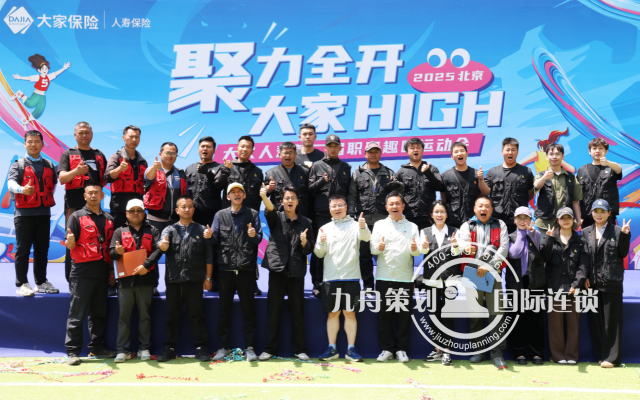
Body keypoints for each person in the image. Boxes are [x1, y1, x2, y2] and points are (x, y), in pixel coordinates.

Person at [258, 185, 314, 361]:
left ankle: (300, 349)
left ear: (298, 201)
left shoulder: (306, 222)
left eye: (293, 198)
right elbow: (269, 210)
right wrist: (264, 197)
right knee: (273, 312)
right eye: (287, 198)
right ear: (281, 201)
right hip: (277, 270)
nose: (290, 201)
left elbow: (310, 248)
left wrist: (304, 242)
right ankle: (270, 349)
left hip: (296, 272)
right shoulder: (276, 218)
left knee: (297, 314)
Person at [157, 195, 214, 362]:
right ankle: (169, 348)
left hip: (195, 280)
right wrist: (161, 245)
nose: (186, 209)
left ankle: (200, 348)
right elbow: (161, 244)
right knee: (172, 315)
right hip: (173, 280)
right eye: (183, 207)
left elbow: (209, 257)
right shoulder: (169, 230)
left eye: (189, 206)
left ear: (194, 210)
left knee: (197, 315)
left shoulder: (202, 230)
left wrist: (208, 278)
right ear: (177, 210)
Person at [64, 182, 116, 365]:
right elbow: (70, 245)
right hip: (82, 273)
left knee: (99, 314)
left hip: (102, 273)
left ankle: (97, 348)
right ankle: (72, 351)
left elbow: (111, 248)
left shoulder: (109, 218)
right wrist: (70, 242)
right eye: (90, 193)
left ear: (102, 196)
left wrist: (112, 271)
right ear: (85, 196)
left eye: (97, 193)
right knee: (76, 314)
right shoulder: (76, 217)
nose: (93, 195)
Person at [314, 194, 370, 362]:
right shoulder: (324, 228)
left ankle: (351, 349)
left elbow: (367, 238)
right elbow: (318, 253)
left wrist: (363, 227)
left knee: (350, 313)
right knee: (333, 313)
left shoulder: (356, 225)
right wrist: (321, 242)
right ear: (329, 209)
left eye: (340, 205)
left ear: (346, 207)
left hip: (351, 277)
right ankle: (332, 349)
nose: (337, 208)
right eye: (334, 206)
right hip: (330, 278)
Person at [211, 183, 263, 362]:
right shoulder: (220, 215)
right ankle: (223, 347)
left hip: (246, 270)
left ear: (244, 195)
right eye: (232, 192)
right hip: (225, 270)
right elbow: (214, 240)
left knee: (249, 311)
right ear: (228, 197)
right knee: (224, 311)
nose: (236, 194)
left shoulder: (253, 214)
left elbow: (258, 240)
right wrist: (209, 236)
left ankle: (250, 348)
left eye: (239, 191)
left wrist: (252, 235)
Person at [457, 196, 509, 369]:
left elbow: (504, 248)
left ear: (491, 209)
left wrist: (488, 266)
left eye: (487, 206)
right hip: (473, 274)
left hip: (493, 273)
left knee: (497, 315)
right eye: (480, 206)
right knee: (475, 315)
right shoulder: (467, 225)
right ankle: (478, 351)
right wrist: (466, 247)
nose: (483, 209)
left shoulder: (500, 224)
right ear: (474, 209)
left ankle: (497, 353)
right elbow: (462, 242)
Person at [369, 191, 420, 363]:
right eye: (391, 204)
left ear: (403, 206)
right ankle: (387, 349)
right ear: (386, 207)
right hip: (384, 277)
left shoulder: (412, 227)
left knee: (403, 315)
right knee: (384, 316)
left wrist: (415, 248)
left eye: (398, 203)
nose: (394, 206)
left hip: (405, 277)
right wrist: (379, 247)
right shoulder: (379, 225)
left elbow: (417, 252)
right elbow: (372, 249)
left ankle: (402, 349)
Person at [109, 199, 163, 363]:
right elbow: (112, 253)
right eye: (132, 210)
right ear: (126, 214)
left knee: (145, 315)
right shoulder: (119, 231)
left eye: (139, 210)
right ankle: (122, 350)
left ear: (144, 213)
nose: (135, 213)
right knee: (124, 316)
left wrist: (146, 265)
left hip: (146, 280)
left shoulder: (153, 230)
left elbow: (159, 250)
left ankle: (144, 348)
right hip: (125, 282)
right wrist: (117, 252)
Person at [349, 141, 403, 291]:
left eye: (376, 151)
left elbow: (396, 195)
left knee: (386, 254)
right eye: (370, 152)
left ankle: (386, 285)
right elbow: (352, 196)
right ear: (365, 154)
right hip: (364, 220)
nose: (373, 154)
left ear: (380, 153)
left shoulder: (389, 173)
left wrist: (399, 187)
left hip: (384, 220)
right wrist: (351, 216)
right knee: (365, 255)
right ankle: (368, 286)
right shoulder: (357, 173)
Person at [9, 130, 59, 296]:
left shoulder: (49, 165)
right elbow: (11, 184)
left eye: (37, 141)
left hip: (44, 214)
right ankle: (22, 284)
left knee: (42, 250)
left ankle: (41, 282)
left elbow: (52, 186)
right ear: (25, 144)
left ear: (42, 144)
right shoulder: (18, 164)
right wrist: (22, 190)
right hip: (23, 215)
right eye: (30, 141)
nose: (33, 144)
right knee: (23, 250)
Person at [582, 199, 630, 368]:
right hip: (592, 283)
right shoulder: (585, 232)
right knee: (595, 321)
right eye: (596, 211)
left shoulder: (617, 230)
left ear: (609, 213)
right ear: (592, 213)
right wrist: (584, 277)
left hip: (612, 281)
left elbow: (623, 253)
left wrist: (625, 235)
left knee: (612, 321)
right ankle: (600, 356)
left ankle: (612, 358)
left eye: (603, 211)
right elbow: (583, 258)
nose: (599, 214)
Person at [58, 122, 107, 282]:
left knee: (97, 240)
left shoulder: (99, 154)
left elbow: (105, 178)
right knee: (72, 240)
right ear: (75, 135)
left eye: (87, 132)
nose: (84, 135)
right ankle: (71, 280)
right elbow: (62, 178)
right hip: (74, 205)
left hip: (95, 206)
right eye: (81, 133)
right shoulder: (68, 154)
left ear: (92, 134)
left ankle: (98, 279)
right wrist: (76, 171)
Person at [185, 136, 233, 292]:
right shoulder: (189, 168)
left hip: (212, 215)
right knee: (192, 247)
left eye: (208, 146)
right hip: (192, 216)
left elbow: (219, 185)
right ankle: (193, 279)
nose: (205, 149)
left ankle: (214, 280)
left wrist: (208, 172)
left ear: (214, 150)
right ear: (198, 149)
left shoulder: (219, 168)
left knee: (212, 247)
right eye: (202, 146)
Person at [541, 207, 588, 365]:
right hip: (554, 287)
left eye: (569, 217)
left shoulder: (580, 241)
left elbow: (583, 266)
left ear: (574, 220)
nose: (566, 220)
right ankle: (558, 355)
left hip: (573, 288)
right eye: (563, 218)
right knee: (555, 324)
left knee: (573, 324)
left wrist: (576, 284)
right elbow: (544, 259)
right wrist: (548, 240)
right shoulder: (550, 237)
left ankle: (571, 355)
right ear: (558, 220)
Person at [417, 200, 461, 366]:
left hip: (450, 280)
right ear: (431, 214)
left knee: (448, 316)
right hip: (432, 280)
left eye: (442, 211)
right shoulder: (424, 232)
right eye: (436, 212)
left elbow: (457, 253)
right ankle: (437, 350)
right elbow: (421, 252)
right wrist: (424, 247)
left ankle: (447, 351)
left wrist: (455, 246)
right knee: (434, 316)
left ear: (447, 214)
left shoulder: (455, 231)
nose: (439, 214)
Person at [308, 134, 352, 297]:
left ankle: (339, 281)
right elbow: (310, 188)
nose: (333, 149)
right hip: (322, 214)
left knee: (341, 248)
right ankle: (318, 283)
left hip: (341, 216)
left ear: (340, 148)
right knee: (320, 249)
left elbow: (349, 192)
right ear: (325, 148)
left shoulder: (346, 166)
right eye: (330, 146)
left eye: (335, 146)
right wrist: (322, 181)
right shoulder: (317, 165)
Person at [220, 136, 264, 295]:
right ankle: (224, 283)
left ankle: (252, 282)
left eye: (248, 147)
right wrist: (225, 171)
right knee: (227, 247)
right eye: (242, 146)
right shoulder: (228, 167)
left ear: (252, 150)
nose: (245, 149)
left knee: (250, 248)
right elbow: (218, 185)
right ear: (237, 148)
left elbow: (260, 195)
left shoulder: (258, 171)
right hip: (229, 215)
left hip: (249, 216)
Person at [506, 207, 546, 365]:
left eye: (526, 218)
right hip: (516, 283)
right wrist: (522, 234)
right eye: (519, 218)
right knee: (517, 319)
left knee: (535, 320)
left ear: (531, 220)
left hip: (534, 283)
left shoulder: (536, 234)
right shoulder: (510, 237)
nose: (523, 221)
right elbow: (514, 253)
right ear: (514, 220)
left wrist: (530, 233)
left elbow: (540, 250)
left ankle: (537, 353)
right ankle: (519, 353)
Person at [533, 143, 583, 241]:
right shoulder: (541, 175)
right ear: (547, 157)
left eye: (557, 154)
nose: (554, 157)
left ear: (562, 156)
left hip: (566, 223)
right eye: (551, 154)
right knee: (545, 248)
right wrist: (544, 178)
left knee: (566, 249)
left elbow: (575, 200)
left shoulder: (571, 177)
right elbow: (536, 186)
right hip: (545, 223)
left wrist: (578, 219)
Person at [484, 138, 534, 233]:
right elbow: (485, 192)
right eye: (507, 150)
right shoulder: (493, 172)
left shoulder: (526, 172)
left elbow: (530, 194)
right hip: (497, 220)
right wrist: (480, 180)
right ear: (502, 151)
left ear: (517, 152)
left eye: (513, 150)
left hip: (520, 221)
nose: (510, 152)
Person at [395, 137, 443, 231]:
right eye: (412, 148)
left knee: (428, 240)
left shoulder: (431, 169)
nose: (415, 150)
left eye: (418, 147)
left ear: (422, 150)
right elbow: (396, 195)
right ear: (407, 151)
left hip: (429, 215)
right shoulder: (401, 172)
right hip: (409, 216)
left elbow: (439, 187)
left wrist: (428, 173)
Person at [105, 125, 148, 229]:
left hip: (138, 207)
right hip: (119, 207)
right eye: (131, 136)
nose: (134, 139)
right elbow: (108, 177)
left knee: (139, 235)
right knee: (119, 235)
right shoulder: (115, 157)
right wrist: (119, 168)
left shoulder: (143, 161)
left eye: (137, 137)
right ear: (123, 137)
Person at [440, 141, 490, 229]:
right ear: (452, 156)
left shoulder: (476, 174)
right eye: (456, 152)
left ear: (467, 154)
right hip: (453, 222)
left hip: (474, 221)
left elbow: (485, 193)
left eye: (462, 151)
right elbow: (444, 199)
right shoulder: (445, 176)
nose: (459, 153)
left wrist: (481, 179)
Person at [576, 138, 622, 229]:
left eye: (601, 148)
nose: (597, 151)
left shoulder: (611, 167)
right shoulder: (582, 170)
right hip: (588, 216)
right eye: (594, 148)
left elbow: (618, 169)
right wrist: (578, 217)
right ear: (589, 151)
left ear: (606, 151)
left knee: (609, 238)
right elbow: (577, 195)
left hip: (607, 216)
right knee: (588, 238)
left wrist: (607, 163)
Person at [144, 142, 188, 234]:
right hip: (155, 221)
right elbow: (149, 177)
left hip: (175, 221)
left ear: (176, 156)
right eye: (167, 153)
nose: (170, 156)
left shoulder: (181, 173)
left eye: (173, 153)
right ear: (160, 154)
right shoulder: (152, 170)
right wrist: (154, 168)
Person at [264, 142, 310, 217]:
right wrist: (268, 188)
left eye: (291, 153)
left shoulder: (305, 172)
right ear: (279, 155)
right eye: (285, 153)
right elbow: (263, 195)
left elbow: (311, 194)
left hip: (302, 215)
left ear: (295, 154)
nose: (288, 155)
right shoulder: (271, 173)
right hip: (279, 216)